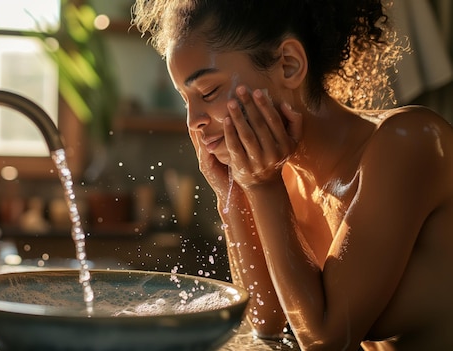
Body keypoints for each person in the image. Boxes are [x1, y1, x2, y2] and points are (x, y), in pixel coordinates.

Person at [132, 1, 453, 350]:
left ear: (289, 65)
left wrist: (260, 186)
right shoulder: (283, 176)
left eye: (208, 92)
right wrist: (233, 190)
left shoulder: (410, 142)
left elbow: (326, 340)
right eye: (186, 100)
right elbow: (268, 320)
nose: (193, 120)